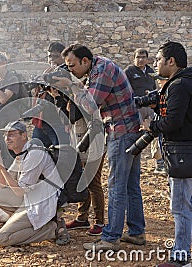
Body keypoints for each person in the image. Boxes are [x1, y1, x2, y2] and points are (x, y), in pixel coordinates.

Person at [55, 44, 145, 251]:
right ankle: (136, 232)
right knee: (130, 184)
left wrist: (70, 85)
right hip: (127, 129)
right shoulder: (98, 68)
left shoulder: (102, 70)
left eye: (72, 66)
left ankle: (111, 237)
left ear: (85, 61)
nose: (71, 70)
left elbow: (89, 106)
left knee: (116, 185)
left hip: (121, 131)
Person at [147, 41, 192, 267]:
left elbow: (172, 122)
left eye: (157, 59)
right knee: (190, 199)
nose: (154, 63)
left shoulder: (180, 85)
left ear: (170, 61)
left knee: (180, 205)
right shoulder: (189, 81)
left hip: (186, 153)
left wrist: (151, 126)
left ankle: (181, 258)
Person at [0, 121, 66, 246]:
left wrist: (1, 167)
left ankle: (52, 229)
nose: (7, 139)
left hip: (44, 201)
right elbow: (2, 185)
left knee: (2, 238)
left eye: (12, 134)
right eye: (6, 135)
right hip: (30, 197)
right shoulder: (22, 153)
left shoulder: (34, 154)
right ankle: (27, 224)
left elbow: (19, 191)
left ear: (24, 136)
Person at [124, 48, 166, 175]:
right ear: (134, 58)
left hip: (151, 107)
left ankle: (159, 163)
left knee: (155, 132)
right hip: (135, 107)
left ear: (147, 59)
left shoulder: (151, 72)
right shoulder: (129, 72)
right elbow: (125, 89)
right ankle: (133, 163)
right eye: (138, 57)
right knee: (135, 133)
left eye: (143, 57)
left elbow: (155, 87)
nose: (141, 59)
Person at [31, 41, 70, 147]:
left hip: (59, 123)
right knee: (35, 150)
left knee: (61, 154)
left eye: (56, 56)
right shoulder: (46, 73)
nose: (52, 60)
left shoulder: (67, 74)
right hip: (42, 122)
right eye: (49, 56)